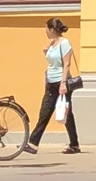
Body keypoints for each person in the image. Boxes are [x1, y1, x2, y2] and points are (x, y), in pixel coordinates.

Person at [28, 16, 83, 153]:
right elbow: (52, 61)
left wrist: (63, 83)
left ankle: (73, 144)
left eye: (46, 29)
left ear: (52, 29)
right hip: (50, 82)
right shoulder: (53, 44)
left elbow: (67, 64)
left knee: (65, 114)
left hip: (60, 82)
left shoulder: (65, 43)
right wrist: (47, 52)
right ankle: (33, 144)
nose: (45, 31)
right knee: (45, 113)